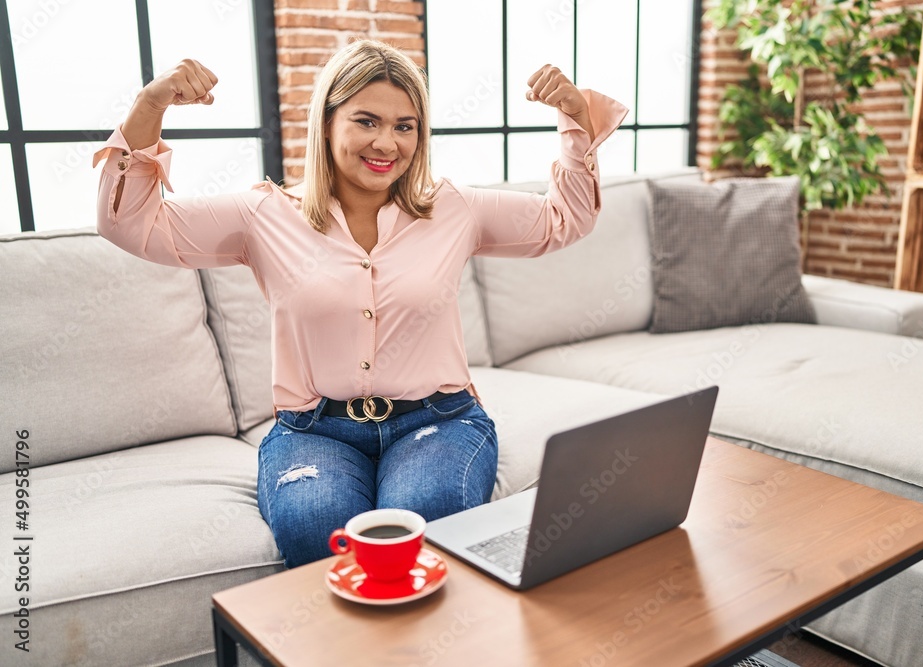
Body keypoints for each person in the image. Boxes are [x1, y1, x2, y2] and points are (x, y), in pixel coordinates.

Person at [94, 39, 627, 568]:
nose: (387, 144)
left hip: (438, 421)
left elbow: (566, 219)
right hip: (313, 430)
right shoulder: (264, 215)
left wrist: (575, 119)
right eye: (366, 121)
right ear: (327, 123)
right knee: (317, 531)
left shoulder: (454, 208)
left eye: (405, 126)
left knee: (422, 521)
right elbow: (128, 224)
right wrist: (150, 107)